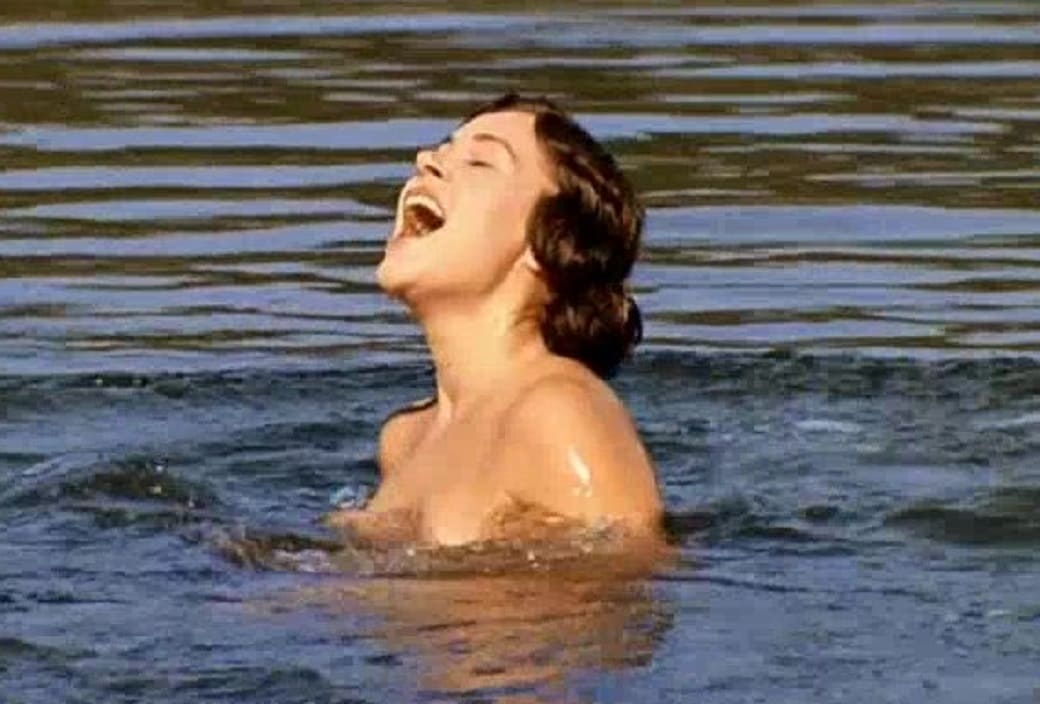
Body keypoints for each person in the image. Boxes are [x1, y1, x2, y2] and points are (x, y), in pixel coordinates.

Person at [325, 94, 663, 547]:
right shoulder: (405, 440)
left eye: (481, 162)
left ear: (551, 243)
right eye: (443, 148)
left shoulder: (558, 414)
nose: (426, 159)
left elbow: (639, 571)